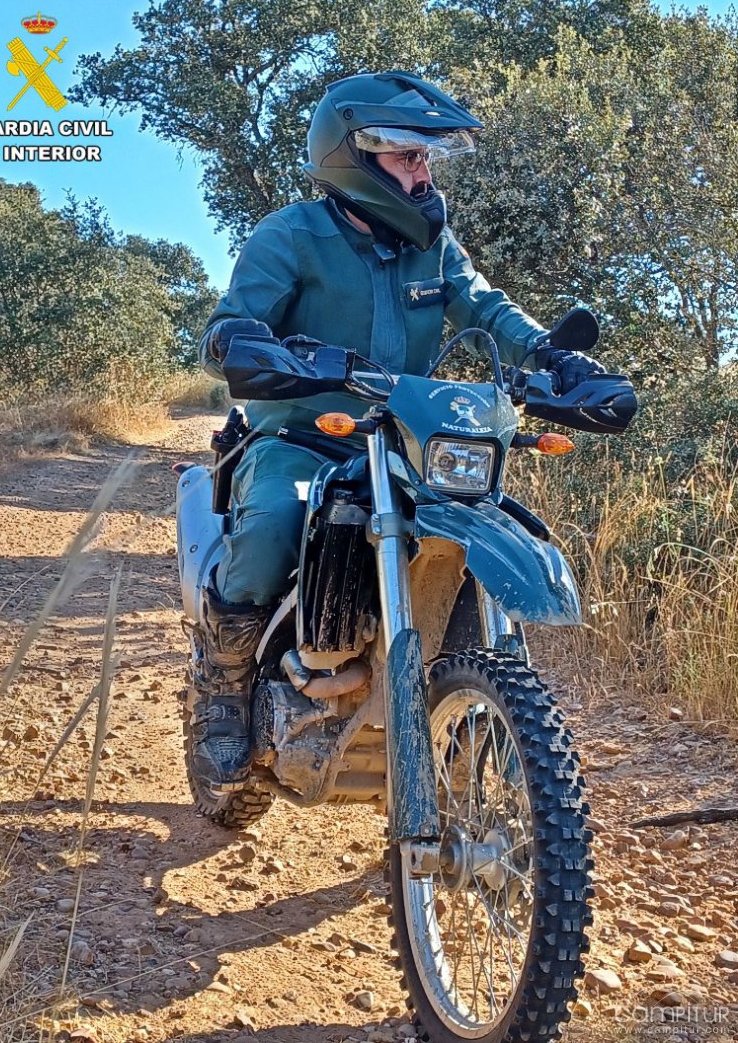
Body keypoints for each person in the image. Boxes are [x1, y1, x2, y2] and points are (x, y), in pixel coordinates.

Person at [195, 70, 604, 791]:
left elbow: (487, 310)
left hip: (408, 441)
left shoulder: (434, 246)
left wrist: (553, 357)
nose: (423, 173)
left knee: (477, 520)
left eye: (426, 158)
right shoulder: (291, 235)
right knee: (273, 524)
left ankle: (468, 699)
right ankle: (223, 693)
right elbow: (230, 326)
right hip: (304, 440)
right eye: (408, 156)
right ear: (354, 156)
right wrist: (245, 345)